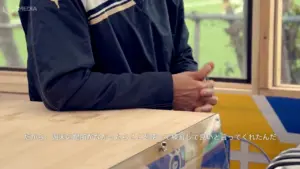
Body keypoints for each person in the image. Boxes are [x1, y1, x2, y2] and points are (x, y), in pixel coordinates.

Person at [19, 0, 218, 112]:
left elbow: (179, 51)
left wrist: (195, 89)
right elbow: (64, 87)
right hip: (90, 150)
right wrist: (168, 90)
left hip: (158, 139)